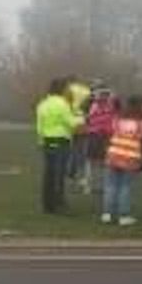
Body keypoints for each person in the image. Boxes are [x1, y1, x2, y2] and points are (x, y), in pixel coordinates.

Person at [36, 78, 83, 215]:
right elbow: (71, 123)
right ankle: (59, 204)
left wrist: (41, 142)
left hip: (47, 141)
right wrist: (81, 117)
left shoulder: (43, 104)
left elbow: (39, 126)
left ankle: (47, 205)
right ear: (61, 89)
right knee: (59, 175)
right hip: (61, 141)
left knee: (48, 174)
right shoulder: (62, 104)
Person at [102, 95, 142, 226]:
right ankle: (124, 215)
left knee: (110, 185)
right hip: (130, 156)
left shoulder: (118, 118)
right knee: (125, 187)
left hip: (114, 153)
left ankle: (107, 213)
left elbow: (112, 131)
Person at [84, 82, 118, 195]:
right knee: (98, 163)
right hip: (102, 136)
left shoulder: (93, 105)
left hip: (98, 136)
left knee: (94, 162)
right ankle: (98, 186)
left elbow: (87, 119)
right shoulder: (111, 105)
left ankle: (92, 186)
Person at [66, 76, 92, 192]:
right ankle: (83, 179)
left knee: (73, 154)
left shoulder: (67, 92)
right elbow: (89, 107)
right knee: (83, 154)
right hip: (83, 125)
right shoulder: (85, 91)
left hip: (71, 126)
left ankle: (72, 177)